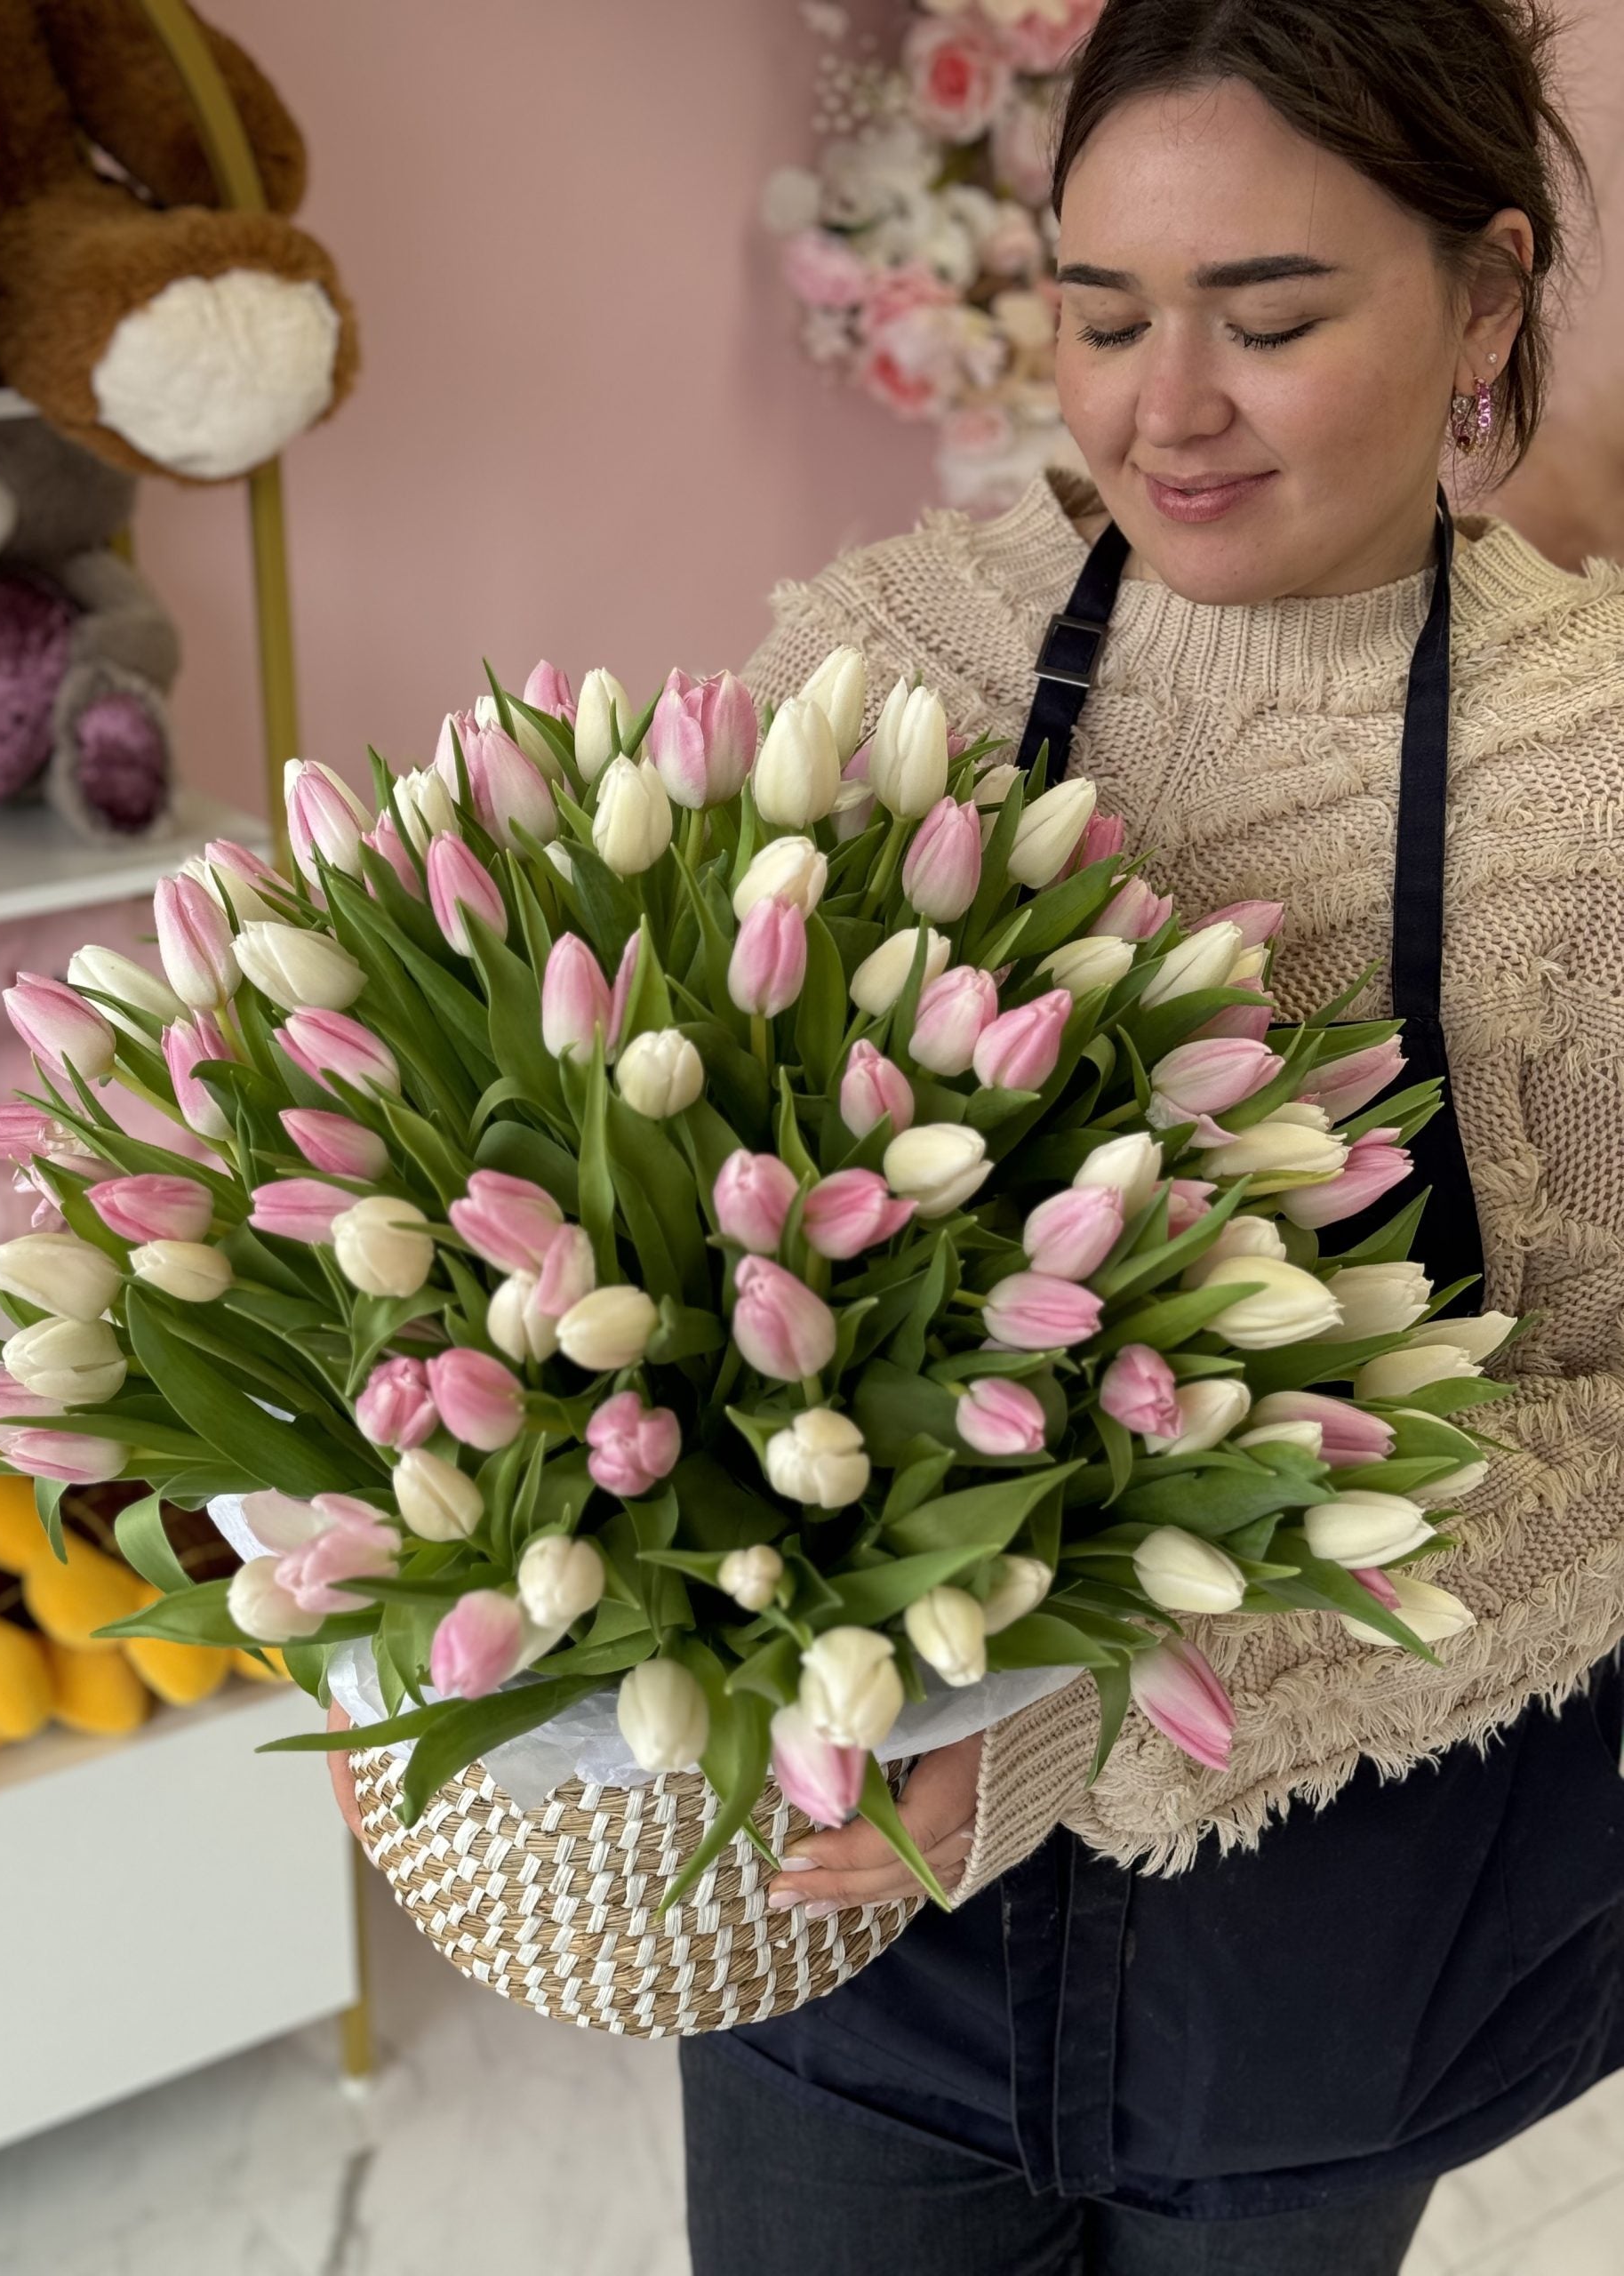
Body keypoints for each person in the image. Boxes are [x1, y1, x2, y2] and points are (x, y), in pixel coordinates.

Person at [679, 4, 1624, 2270]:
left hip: (1315, 1965)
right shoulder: (893, 668)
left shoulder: (1592, 791)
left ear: (1487, 295)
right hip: (844, 1938)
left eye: (1269, 315)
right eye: (1100, 315)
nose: (1158, 407)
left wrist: (1071, 1693)